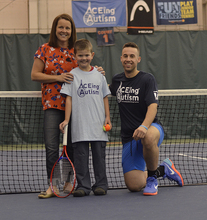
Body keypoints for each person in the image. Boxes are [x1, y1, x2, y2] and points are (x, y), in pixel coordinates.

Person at [31, 14, 104, 198]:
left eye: (67, 28)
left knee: (73, 148)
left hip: (77, 107)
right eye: (61, 27)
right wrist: (58, 77)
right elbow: (35, 75)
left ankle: (70, 183)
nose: (64, 31)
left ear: (72, 31)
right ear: (55, 29)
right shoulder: (44, 49)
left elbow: (86, 69)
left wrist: (98, 71)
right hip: (53, 105)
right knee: (51, 147)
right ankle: (53, 186)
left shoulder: (76, 50)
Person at [109, 42, 184, 196]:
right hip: (130, 138)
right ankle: (164, 169)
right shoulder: (117, 81)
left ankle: (152, 179)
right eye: (125, 56)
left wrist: (143, 126)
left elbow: (152, 106)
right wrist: (94, 73)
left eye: (132, 56)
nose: (128, 59)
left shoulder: (147, 79)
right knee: (134, 186)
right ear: (121, 58)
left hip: (151, 128)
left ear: (138, 59)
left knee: (148, 138)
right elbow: (102, 90)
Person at [59, 39, 111, 197]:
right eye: (80, 55)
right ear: (75, 56)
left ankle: (101, 185)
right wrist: (67, 120)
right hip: (79, 126)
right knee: (80, 159)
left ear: (92, 55)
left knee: (99, 158)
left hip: (98, 126)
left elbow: (105, 97)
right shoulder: (72, 76)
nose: (84, 58)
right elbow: (68, 98)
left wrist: (107, 117)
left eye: (86, 55)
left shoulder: (99, 76)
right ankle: (83, 186)